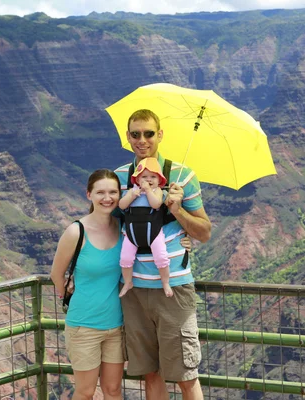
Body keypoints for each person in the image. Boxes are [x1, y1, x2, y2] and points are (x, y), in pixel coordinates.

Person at [114, 109, 212, 400]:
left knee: (185, 375)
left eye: (148, 133)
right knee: (150, 373)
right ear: (128, 136)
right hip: (133, 291)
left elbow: (204, 232)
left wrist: (177, 210)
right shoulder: (120, 177)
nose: (141, 140)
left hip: (174, 290)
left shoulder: (183, 176)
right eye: (135, 134)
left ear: (160, 135)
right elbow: (108, 223)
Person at [50, 169, 125, 400]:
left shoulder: (122, 227)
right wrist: (73, 297)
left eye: (113, 192)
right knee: (85, 392)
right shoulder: (76, 232)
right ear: (88, 195)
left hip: (117, 326)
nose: (107, 198)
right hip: (84, 327)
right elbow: (56, 274)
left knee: (113, 391)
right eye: (100, 192)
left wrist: (184, 242)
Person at [119, 157, 172, 298]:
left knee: (161, 256)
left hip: (153, 233)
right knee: (125, 258)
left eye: (153, 177)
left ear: (159, 180)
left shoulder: (158, 191)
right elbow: (122, 205)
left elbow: (156, 205)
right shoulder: (132, 191)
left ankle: (165, 282)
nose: (149, 180)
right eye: (144, 177)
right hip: (132, 234)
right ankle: (128, 282)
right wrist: (131, 196)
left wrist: (149, 191)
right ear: (137, 179)